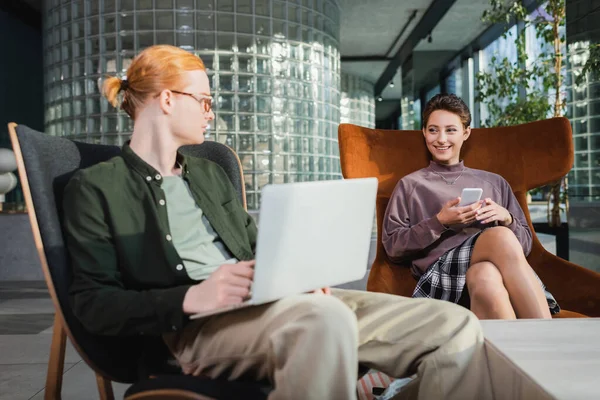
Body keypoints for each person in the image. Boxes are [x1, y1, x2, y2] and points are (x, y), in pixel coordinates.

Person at [63, 45, 494, 400]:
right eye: (205, 100)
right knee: (323, 321)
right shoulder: (97, 187)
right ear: (168, 99)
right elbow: (92, 306)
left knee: (454, 327)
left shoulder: (208, 173)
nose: (210, 113)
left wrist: (298, 277)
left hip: (280, 306)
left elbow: (257, 248)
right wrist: (193, 297)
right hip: (194, 330)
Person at [383, 93, 559, 320]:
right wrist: (440, 222)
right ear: (424, 132)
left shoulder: (495, 182)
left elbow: (524, 248)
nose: (441, 139)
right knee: (499, 237)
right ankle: (548, 332)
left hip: (484, 278)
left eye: (451, 130)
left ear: (465, 133)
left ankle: (519, 353)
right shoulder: (410, 185)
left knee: (485, 275)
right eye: (433, 130)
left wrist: (508, 219)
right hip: (441, 281)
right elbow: (393, 248)